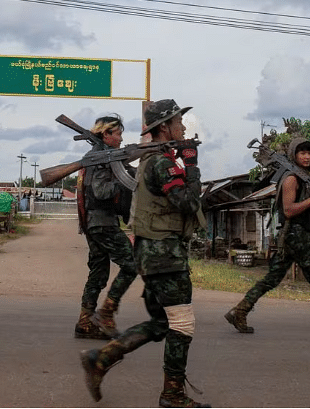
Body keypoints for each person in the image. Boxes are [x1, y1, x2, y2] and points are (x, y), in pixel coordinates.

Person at [80, 99, 210, 408]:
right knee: (182, 323)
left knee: (162, 322)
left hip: (154, 255)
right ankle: (172, 394)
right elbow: (189, 204)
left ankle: (101, 358)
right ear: (164, 127)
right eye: (179, 122)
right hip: (165, 255)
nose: (183, 127)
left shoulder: (157, 160)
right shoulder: (163, 164)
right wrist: (191, 166)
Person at [225, 138, 310, 340]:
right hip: (296, 237)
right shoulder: (291, 179)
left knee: (272, 279)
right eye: (302, 153)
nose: (306, 157)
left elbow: (301, 213)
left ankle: (239, 311)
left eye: (309, 153)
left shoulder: (304, 178)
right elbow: (288, 211)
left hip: (294, 235)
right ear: (294, 155)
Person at [75, 115, 137, 340]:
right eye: (118, 134)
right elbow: (101, 192)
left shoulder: (104, 157)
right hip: (102, 223)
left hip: (95, 223)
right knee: (132, 264)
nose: (121, 139)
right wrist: (125, 178)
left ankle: (85, 322)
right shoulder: (101, 158)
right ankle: (106, 312)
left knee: (99, 272)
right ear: (106, 135)